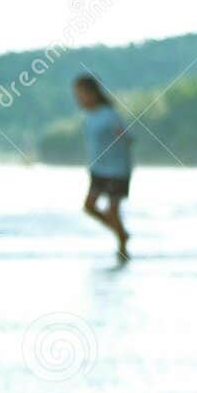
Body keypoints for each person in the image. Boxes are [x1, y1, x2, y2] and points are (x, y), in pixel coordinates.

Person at [73, 74, 132, 261]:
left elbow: (126, 137)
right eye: (76, 95)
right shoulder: (89, 116)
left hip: (117, 170)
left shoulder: (109, 114)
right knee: (89, 207)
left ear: (92, 94)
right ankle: (121, 233)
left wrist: (122, 138)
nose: (78, 99)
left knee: (113, 210)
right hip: (97, 169)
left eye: (81, 94)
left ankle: (122, 247)